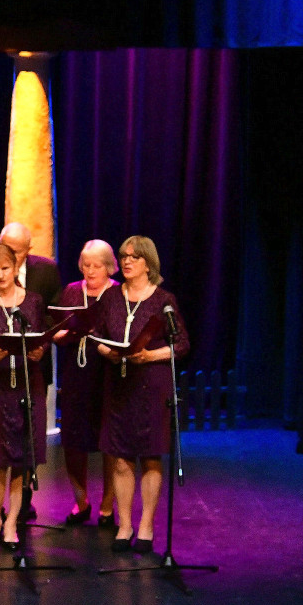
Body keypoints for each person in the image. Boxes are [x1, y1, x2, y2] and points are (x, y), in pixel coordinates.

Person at [95, 236, 189, 553]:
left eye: (133, 257)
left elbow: (181, 345)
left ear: (147, 263)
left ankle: (146, 525)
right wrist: (106, 349)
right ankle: (125, 525)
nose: (126, 261)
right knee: (120, 460)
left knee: (150, 457)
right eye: (123, 256)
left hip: (151, 386)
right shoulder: (110, 297)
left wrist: (150, 356)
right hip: (119, 386)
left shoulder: (164, 300)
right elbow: (96, 336)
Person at [0, 221, 60, 520]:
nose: (1, 275)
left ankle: (13, 522)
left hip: (27, 384)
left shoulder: (33, 301)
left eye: (6, 268)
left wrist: (38, 349)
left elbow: (44, 333)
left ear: (16, 266)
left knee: (21, 455)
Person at [53, 240, 119, 527]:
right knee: (74, 441)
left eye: (97, 266)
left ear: (109, 266)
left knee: (108, 441)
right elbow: (55, 328)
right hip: (76, 374)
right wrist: (64, 332)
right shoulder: (71, 291)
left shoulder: (118, 293)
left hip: (107, 374)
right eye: (87, 265)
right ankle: (81, 501)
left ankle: (107, 505)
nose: (91, 271)